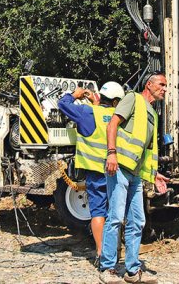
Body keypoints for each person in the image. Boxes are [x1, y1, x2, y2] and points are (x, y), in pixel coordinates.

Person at [98, 72, 167, 284]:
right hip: (118, 167)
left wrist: (154, 175)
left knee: (137, 221)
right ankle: (107, 268)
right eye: (162, 84)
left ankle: (132, 271)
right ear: (149, 84)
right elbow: (113, 125)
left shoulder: (152, 115)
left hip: (135, 174)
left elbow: (146, 152)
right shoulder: (132, 99)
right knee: (116, 217)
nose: (164, 89)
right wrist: (111, 153)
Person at [57, 81, 125, 264]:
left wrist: (75, 94)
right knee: (115, 211)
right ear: (116, 101)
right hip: (116, 170)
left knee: (98, 212)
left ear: (100, 97)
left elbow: (62, 104)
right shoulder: (119, 116)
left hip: (95, 173)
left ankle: (101, 252)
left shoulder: (87, 113)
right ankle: (116, 249)